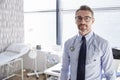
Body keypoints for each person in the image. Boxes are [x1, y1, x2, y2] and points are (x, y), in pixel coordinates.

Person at [60, 5, 116, 80]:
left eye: (87, 18)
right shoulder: (68, 43)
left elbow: (110, 73)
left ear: (92, 20)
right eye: (79, 18)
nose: (82, 22)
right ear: (75, 20)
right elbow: (64, 70)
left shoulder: (103, 44)